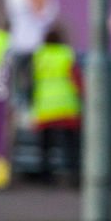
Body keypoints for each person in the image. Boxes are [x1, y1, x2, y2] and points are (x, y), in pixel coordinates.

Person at [31, 30, 83, 183]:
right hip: (66, 105)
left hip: (45, 106)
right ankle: (73, 176)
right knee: (70, 145)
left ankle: (45, 176)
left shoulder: (39, 56)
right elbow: (76, 78)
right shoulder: (66, 54)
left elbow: (30, 80)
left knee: (46, 145)